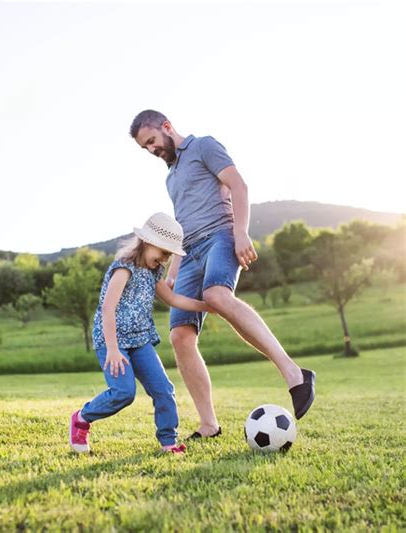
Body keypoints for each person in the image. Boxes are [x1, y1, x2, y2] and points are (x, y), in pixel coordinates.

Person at [129, 110, 316, 439]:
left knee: (217, 295)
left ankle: (294, 373)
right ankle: (208, 424)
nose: (152, 150)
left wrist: (241, 232)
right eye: (145, 148)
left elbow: (238, 185)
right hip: (189, 254)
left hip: (220, 236)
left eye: (152, 141)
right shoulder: (170, 179)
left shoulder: (204, 146)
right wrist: (172, 273)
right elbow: (181, 229)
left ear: (167, 127)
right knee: (180, 337)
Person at [69, 212, 212, 454]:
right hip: (112, 340)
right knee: (124, 393)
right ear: (147, 242)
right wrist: (113, 349)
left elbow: (173, 298)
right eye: (164, 252)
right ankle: (82, 417)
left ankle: (169, 443)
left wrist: (207, 306)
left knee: (164, 390)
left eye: (169, 254)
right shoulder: (124, 268)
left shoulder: (154, 272)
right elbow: (107, 308)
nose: (165, 259)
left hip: (140, 340)